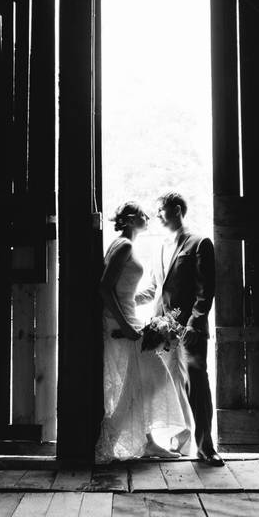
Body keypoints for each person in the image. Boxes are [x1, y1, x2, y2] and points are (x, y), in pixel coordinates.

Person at [95, 201, 191, 463]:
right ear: (128, 219)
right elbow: (105, 288)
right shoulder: (124, 245)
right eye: (142, 214)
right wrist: (126, 327)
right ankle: (113, 438)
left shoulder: (124, 245)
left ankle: (148, 442)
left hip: (129, 319)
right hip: (122, 323)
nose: (148, 217)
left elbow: (123, 291)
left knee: (140, 381)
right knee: (150, 378)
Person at [135, 192, 224, 466]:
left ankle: (206, 447)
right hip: (160, 331)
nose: (158, 215)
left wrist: (195, 324)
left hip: (188, 330)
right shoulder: (160, 247)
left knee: (196, 385)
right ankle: (179, 438)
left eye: (161, 210)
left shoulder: (200, 243)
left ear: (176, 210)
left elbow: (205, 291)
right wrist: (125, 298)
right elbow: (153, 288)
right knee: (165, 386)